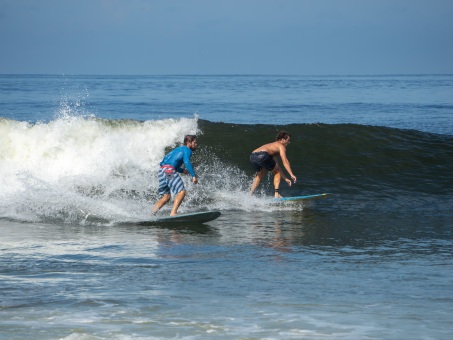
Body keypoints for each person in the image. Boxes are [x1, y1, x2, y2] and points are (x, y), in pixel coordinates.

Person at [152, 135, 199, 216]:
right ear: (188, 143)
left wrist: (182, 170)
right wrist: (193, 176)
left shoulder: (178, 149)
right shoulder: (187, 150)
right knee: (182, 191)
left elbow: (170, 163)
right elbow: (186, 161)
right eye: (194, 142)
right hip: (168, 171)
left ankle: (151, 214)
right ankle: (173, 213)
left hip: (161, 171)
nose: (196, 144)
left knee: (166, 197)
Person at [249, 131, 297, 198]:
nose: (289, 142)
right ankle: (276, 194)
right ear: (282, 139)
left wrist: (285, 178)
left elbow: (277, 167)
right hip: (263, 155)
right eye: (288, 140)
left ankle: (250, 194)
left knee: (260, 175)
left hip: (252, 156)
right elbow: (285, 161)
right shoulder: (281, 147)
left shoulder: (271, 146)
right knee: (277, 173)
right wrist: (291, 174)